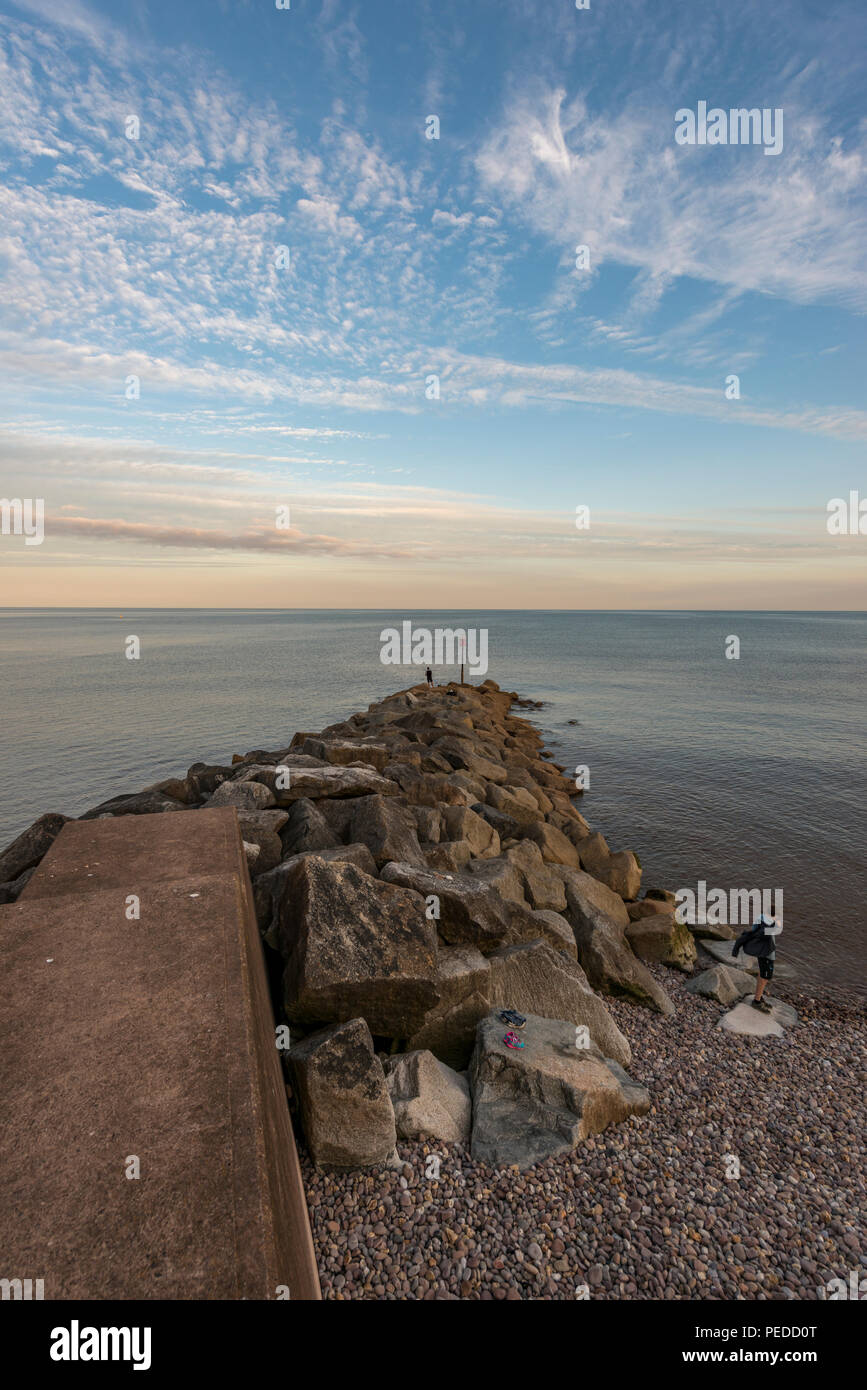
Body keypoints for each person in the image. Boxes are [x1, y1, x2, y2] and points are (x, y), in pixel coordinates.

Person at [732, 910, 781, 1014]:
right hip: (767, 954)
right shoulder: (771, 924)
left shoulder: (760, 918)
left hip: (761, 952)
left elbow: (754, 929)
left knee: (762, 973)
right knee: (765, 976)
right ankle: (757, 1001)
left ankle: (758, 996)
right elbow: (773, 931)